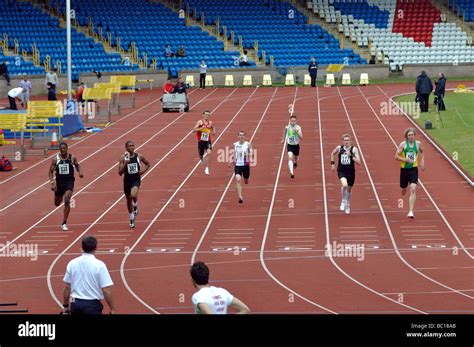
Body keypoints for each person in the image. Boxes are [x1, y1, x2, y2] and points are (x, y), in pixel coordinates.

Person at [62, 235, 115, 315]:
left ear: (82, 247)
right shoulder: (100, 265)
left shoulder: (72, 263)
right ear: (95, 248)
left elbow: (66, 287)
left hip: (75, 303)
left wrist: (65, 306)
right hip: (92, 305)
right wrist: (112, 308)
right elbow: (106, 290)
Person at [49, 142, 84, 231]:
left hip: (69, 181)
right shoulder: (55, 159)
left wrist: (80, 172)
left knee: (67, 200)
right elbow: (50, 172)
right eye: (61, 148)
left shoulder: (72, 158)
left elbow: (77, 165)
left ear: (67, 148)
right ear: (59, 149)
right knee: (57, 203)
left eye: (64, 148)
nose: (62, 150)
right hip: (59, 183)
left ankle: (64, 222)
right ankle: (59, 198)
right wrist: (52, 182)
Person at [118, 141, 150, 228]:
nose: (132, 147)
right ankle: (131, 219)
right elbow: (120, 173)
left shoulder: (139, 156)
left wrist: (142, 172)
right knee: (128, 200)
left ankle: (135, 204)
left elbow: (148, 164)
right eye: (129, 146)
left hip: (136, 179)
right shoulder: (122, 158)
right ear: (126, 148)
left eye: (133, 145)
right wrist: (125, 163)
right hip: (127, 181)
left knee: (133, 195)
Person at [395, 128, 424, 219]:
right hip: (404, 170)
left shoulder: (418, 144)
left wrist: (422, 161)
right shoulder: (403, 145)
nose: (411, 137)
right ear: (406, 137)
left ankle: (411, 211)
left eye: (412, 135)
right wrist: (405, 159)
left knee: (413, 188)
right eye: (409, 135)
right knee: (403, 190)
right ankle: (404, 188)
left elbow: (422, 151)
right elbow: (395, 156)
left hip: (413, 169)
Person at [330, 134, 361, 214]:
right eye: (345, 140)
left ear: (350, 141)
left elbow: (359, 162)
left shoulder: (354, 149)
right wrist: (332, 164)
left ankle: (347, 204)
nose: (346, 142)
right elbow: (332, 153)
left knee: (349, 189)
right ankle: (343, 201)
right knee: (344, 185)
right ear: (342, 141)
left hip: (351, 172)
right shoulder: (339, 148)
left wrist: (351, 156)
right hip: (341, 171)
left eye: (348, 140)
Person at [228, 130, 253, 203]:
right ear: (238, 136)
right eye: (240, 135)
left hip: (245, 165)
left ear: (244, 136)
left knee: (246, 180)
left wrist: (248, 154)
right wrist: (230, 160)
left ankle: (246, 179)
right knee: (238, 179)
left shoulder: (248, 144)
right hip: (237, 165)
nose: (241, 136)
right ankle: (240, 196)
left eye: (243, 135)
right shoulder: (235, 144)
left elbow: (252, 154)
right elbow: (233, 153)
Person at [194, 110, 215, 175]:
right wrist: (201, 128)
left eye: (208, 115)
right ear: (203, 115)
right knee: (201, 155)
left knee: (209, 153)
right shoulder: (200, 122)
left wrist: (214, 131)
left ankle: (207, 168)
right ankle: (201, 159)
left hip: (208, 141)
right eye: (206, 114)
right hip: (201, 141)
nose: (207, 116)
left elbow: (213, 127)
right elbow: (194, 129)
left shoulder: (210, 122)